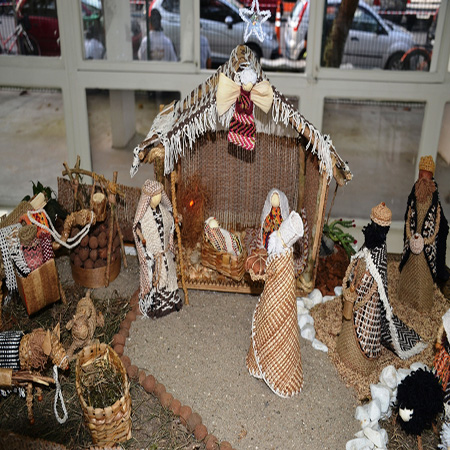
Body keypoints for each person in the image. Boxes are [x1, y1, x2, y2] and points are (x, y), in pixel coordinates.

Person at [336, 203, 426, 375]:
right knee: (351, 324)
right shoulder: (370, 243)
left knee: (368, 329)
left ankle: (361, 360)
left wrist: (364, 288)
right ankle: (347, 349)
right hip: (358, 295)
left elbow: (380, 280)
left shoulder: (379, 250)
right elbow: (360, 259)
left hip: (369, 304)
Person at [246, 210, 304, 397]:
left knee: (277, 322)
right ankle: (258, 362)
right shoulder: (284, 253)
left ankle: (277, 367)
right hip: (277, 293)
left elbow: (272, 269)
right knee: (267, 322)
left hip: (278, 295)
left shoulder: (281, 255)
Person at [398, 155, 449, 312]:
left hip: (426, 246)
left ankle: (422, 303)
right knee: (408, 275)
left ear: (431, 175)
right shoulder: (414, 192)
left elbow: (439, 222)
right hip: (412, 240)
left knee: (423, 277)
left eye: (426, 175)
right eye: (421, 174)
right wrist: (410, 235)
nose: (423, 178)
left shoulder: (434, 198)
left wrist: (426, 241)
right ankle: (404, 297)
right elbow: (409, 215)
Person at [133, 180, 182, 318]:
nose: (158, 198)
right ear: (147, 198)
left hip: (165, 254)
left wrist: (175, 218)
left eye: (160, 194)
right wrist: (140, 235)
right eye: (155, 195)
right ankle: (157, 307)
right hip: (154, 258)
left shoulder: (164, 212)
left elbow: (171, 222)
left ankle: (172, 303)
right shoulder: (144, 217)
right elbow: (137, 229)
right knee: (157, 282)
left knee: (170, 279)